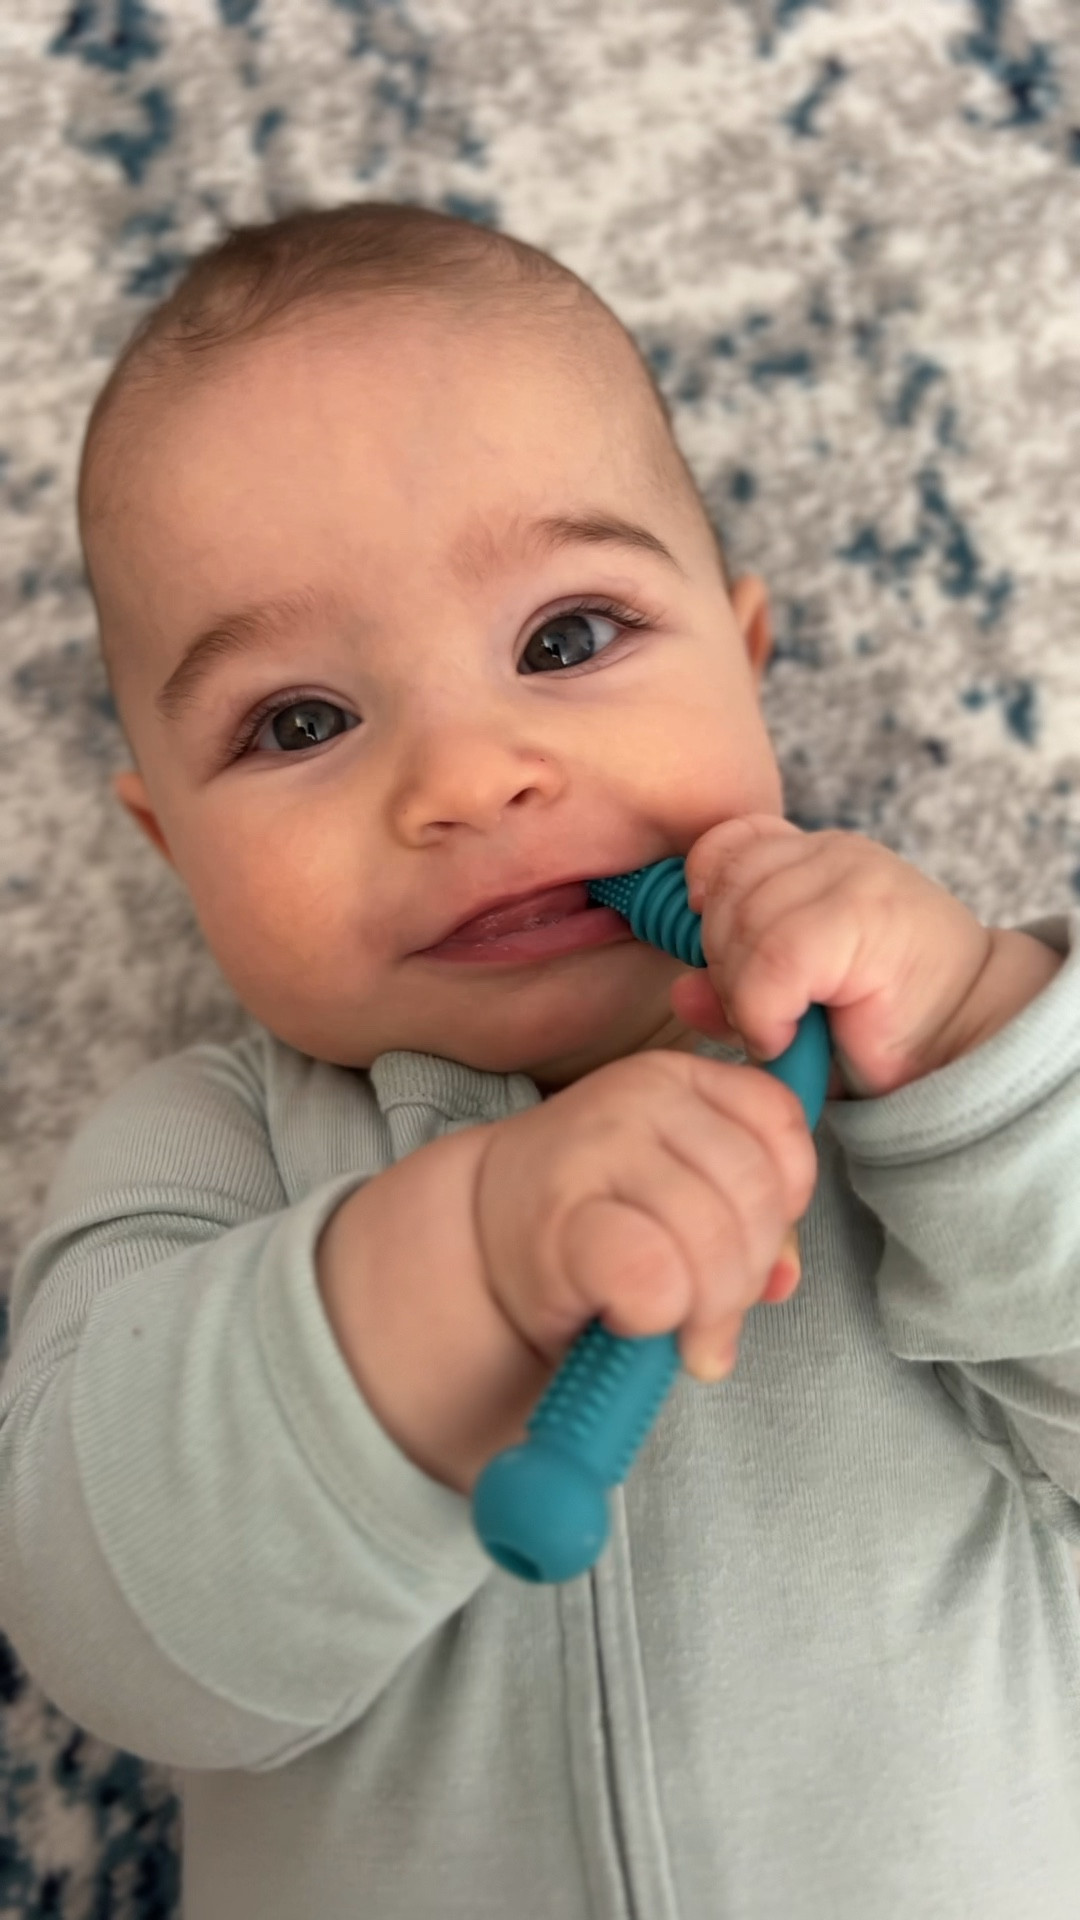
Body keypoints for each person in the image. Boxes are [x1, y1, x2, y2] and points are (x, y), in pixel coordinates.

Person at [2, 200, 1078, 1920]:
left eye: (567, 641)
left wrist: (981, 1052)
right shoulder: (209, 1160)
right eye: (299, 723)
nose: (468, 777)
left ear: (743, 660)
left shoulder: (914, 1078)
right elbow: (109, 1632)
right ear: (167, 841)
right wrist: (465, 1272)